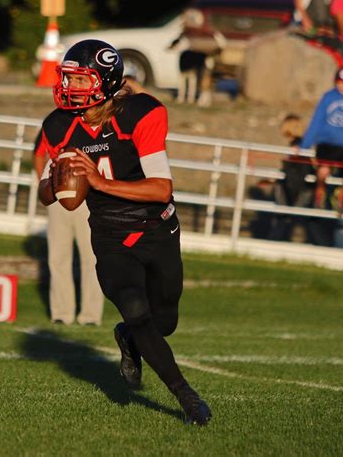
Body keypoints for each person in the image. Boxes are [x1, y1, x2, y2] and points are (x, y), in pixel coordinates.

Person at [37, 39, 211, 426]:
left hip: (156, 227)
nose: (69, 87)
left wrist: (99, 182)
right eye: (68, 79)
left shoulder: (139, 114)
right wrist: (56, 183)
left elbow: (160, 188)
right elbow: (46, 193)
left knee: (164, 322)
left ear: (106, 82)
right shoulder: (60, 126)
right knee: (134, 308)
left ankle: (129, 338)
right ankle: (186, 397)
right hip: (109, 234)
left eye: (80, 80)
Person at [33, 130, 104, 326]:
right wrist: (46, 186)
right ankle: (62, 312)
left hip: (90, 198)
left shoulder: (99, 126)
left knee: (92, 257)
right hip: (59, 196)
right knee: (58, 257)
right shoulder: (56, 124)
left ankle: (91, 314)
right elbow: (38, 153)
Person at [298, 66, 343, 212]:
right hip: (327, 144)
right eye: (340, 82)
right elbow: (316, 122)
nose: (342, 86)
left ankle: (341, 195)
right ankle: (320, 193)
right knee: (323, 171)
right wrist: (304, 145)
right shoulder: (328, 97)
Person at [269, 114, 316, 242]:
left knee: (286, 218)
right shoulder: (301, 144)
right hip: (301, 187)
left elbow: (296, 169)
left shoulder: (297, 146)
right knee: (301, 219)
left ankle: (276, 241)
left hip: (295, 188)